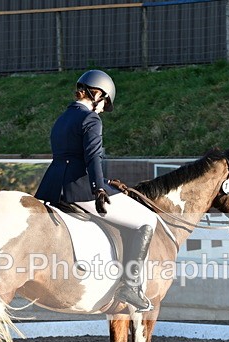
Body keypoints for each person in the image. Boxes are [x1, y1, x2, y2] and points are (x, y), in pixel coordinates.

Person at [35, 70, 159, 311]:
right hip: (80, 190)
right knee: (147, 219)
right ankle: (131, 286)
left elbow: (70, 157)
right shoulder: (91, 119)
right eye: (104, 103)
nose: (103, 109)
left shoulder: (62, 118)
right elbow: (92, 158)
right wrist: (99, 188)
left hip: (52, 187)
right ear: (97, 93)